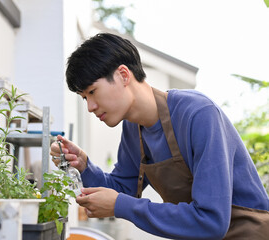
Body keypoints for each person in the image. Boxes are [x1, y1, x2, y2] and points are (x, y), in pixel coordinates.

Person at [50, 33, 269, 239]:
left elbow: (212, 221)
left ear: (123, 75)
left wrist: (121, 205)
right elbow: (123, 189)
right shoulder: (132, 128)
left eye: (92, 92)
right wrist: (84, 165)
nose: (89, 107)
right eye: (83, 98)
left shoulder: (198, 114)